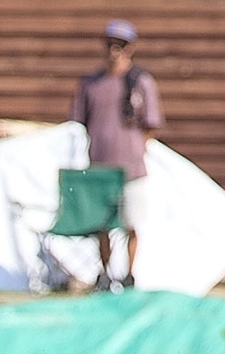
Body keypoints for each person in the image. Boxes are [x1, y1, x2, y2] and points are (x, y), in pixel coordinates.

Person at [69, 22, 163, 288]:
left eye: (120, 45)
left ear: (130, 48)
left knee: (132, 222)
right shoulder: (90, 84)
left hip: (131, 169)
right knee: (102, 225)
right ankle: (106, 273)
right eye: (110, 44)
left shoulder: (140, 82)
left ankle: (130, 274)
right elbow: (79, 123)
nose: (114, 51)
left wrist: (135, 149)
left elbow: (151, 124)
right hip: (99, 167)